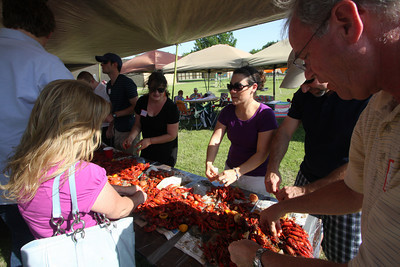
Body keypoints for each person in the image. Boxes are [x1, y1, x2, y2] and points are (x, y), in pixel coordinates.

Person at [229, 0, 400, 266]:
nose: (307, 75)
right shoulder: (377, 110)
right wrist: (284, 206)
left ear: (346, 23)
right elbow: (356, 192)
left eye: (306, 58)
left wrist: (260, 259)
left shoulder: (364, 104)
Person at [1, 80, 146, 240]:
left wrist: (123, 190)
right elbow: (119, 209)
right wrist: (140, 197)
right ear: (79, 129)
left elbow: (68, 194)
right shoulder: (82, 173)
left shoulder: (25, 163)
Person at [264, 51, 369, 263]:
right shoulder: (304, 95)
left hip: (348, 188)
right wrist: (273, 166)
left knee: (342, 256)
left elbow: (362, 163)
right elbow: (285, 132)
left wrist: (305, 190)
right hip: (307, 175)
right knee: (295, 243)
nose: (303, 88)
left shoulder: (362, 97)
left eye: (309, 80)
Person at [0, 1, 73, 265]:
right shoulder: (44, 62)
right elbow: (77, 114)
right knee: (39, 246)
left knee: (18, 238)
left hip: (9, 180)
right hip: (28, 180)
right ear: (49, 33)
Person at [205, 66, 277, 195]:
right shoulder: (227, 111)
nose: (232, 91)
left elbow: (262, 153)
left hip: (256, 178)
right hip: (230, 171)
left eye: (238, 87)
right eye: (230, 86)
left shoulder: (265, 114)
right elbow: (216, 139)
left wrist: (237, 172)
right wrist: (209, 162)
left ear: (253, 87)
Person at [122, 71, 179, 167]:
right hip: (146, 149)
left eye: (160, 90)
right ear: (148, 88)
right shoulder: (142, 102)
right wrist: (131, 137)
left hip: (165, 152)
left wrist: (150, 141)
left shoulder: (171, 107)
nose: (156, 93)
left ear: (165, 89)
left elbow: (172, 135)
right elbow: (137, 125)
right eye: (153, 89)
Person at [95, 52, 139, 154]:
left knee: (130, 162)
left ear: (115, 64)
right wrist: (111, 127)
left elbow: (136, 107)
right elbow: (113, 106)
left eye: (105, 62)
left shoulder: (127, 83)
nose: (101, 65)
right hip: (117, 130)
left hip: (129, 131)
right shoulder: (109, 85)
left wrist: (114, 115)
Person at [77, 71, 112, 146]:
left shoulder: (103, 90)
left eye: (85, 85)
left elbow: (109, 109)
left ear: (92, 81)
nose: (84, 87)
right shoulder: (90, 91)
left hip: (104, 126)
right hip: (95, 126)